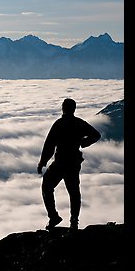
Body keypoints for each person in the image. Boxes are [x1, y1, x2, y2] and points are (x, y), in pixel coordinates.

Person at [37, 98, 101, 230]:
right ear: (74, 109)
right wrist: (84, 143)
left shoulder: (59, 124)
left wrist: (43, 162)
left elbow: (49, 144)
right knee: (74, 192)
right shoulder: (79, 123)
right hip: (73, 162)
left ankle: (54, 217)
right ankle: (74, 222)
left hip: (60, 162)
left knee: (47, 186)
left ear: (63, 108)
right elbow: (96, 135)